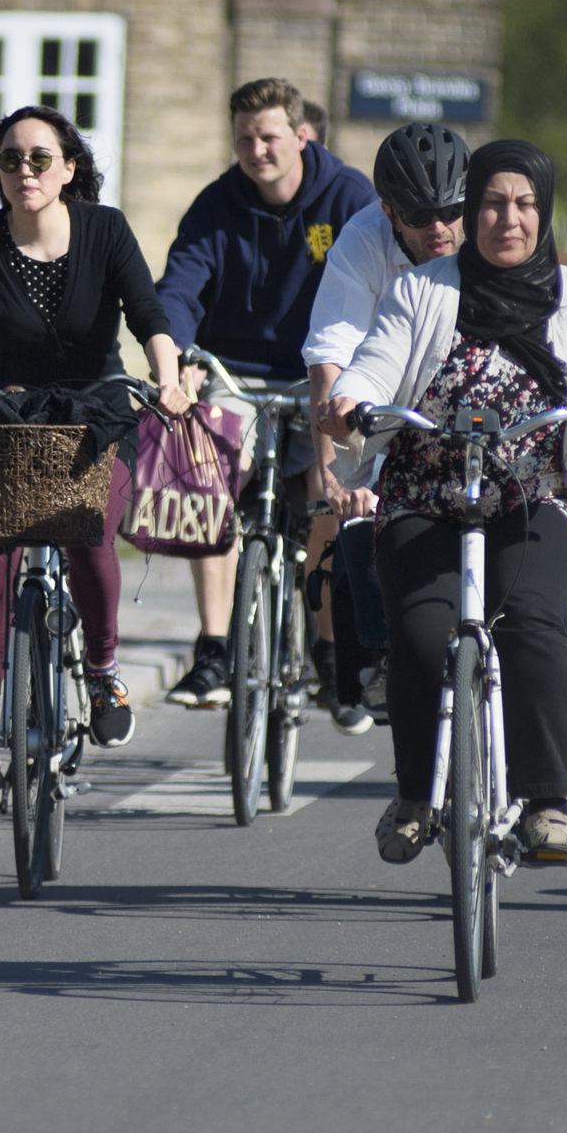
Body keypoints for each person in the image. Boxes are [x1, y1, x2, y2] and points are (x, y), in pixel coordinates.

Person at [316, 140, 567, 866]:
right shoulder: (421, 290)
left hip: (535, 497)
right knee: (423, 637)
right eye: (493, 202)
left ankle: (548, 802)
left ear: (544, 210)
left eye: (525, 204)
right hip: (425, 497)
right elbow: (373, 364)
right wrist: (352, 402)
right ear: (473, 210)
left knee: (532, 619)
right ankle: (414, 795)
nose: (509, 218)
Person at [0, 105, 189, 806]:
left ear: (69, 168)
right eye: (11, 159)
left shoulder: (105, 229)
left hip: (95, 411)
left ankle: (101, 668)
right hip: (9, 414)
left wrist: (170, 376)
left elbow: (148, 315)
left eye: (40, 158)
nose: (25, 171)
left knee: (89, 536)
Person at [156, 77, 378, 707]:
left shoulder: (348, 196)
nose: (257, 150)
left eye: (269, 136)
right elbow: (179, 287)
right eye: (244, 139)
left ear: (302, 135)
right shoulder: (215, 205)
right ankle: (215, 649)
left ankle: (330, 649)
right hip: (237, 371)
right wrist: (175, 358)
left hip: (324, 370)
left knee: (329, 496)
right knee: (212, 475)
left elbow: (377, 281)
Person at [303, 121, 472, 734]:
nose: (440, 230)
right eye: (422, 217)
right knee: (359, 522)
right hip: (385, 406)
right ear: (388, 210)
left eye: (453, 212)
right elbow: (332, 357)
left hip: (474, 408)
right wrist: (336, 470)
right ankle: (374, 661)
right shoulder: (361, 242)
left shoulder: (490, 236)